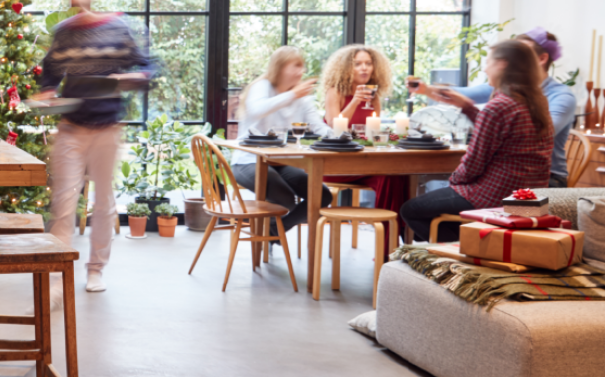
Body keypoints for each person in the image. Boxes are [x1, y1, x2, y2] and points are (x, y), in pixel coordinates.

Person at [40, 0, 151, 297]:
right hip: (71, 128)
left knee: (103, 203)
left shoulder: (118, 28)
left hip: (107, 129)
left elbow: (146, 65)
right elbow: (49, 72)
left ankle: (96, 269)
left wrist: (133, 78)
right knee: (63, 203)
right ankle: (58, 273)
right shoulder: (63, 31)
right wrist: (46, 92)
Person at [400, 40, 554, 243]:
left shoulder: (498, 106)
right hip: (528, 195)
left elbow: (474, 163)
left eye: (488, 62)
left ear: (502, 64)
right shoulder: (536, 101)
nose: (485, 67)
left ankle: (465, 248)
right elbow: (498, 131)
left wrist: (453, 182)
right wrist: (468, 107)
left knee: (411, 210)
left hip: (495, 195)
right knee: (436, 211)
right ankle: (468, 243)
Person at [412, 27, 575, 188]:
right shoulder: (506, 91)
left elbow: (537, 135)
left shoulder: (560, 96)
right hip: (510, 174)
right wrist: (426, 90)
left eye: (521, 54)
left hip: (548, 179)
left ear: (541, 59)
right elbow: (466, 94)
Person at [232, 46, 332, 237]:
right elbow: (257, 110)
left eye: (302, 67)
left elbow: (319, 127)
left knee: (322, 195)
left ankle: (273, 232)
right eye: (295, 66)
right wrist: (293, 94)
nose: (301, 71)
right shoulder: (262, 87)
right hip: (248, 160)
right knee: (285, 198)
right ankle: (270, 235)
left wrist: (344, 138)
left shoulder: (302, 98)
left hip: (279, 162)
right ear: (279, 67)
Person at [320, 45, 408, 254]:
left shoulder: (373, 96)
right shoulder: (335, 91)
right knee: (391, 177)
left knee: (396, 176)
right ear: (346, 68)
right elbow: (335, 126)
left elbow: (371, 135)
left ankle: (389, 245)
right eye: (358, 64)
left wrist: (386, 136)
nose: (364, 68)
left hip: (364, 164)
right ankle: (392, 244)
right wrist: (355, 102)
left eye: (368, 64)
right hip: (336, 164)